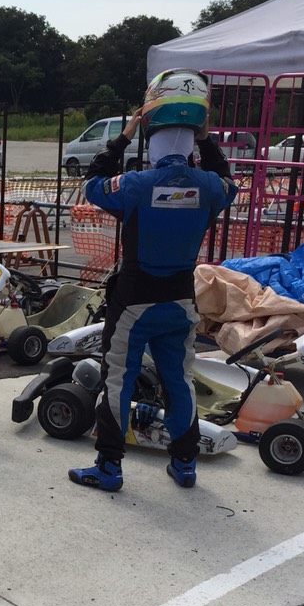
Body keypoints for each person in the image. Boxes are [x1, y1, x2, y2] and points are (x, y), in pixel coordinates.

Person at [68, 68, 238, 492]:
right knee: (179, 381)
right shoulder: (211, 187)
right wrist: (207, 141)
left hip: (134, 301)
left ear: (152, 133)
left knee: (117, 380)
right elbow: (229, 181)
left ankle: (109, 467)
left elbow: (92, 184)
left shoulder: (136, 185)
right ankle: (185, 463)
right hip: (181, 301)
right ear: (193, 134)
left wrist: (122, 138)